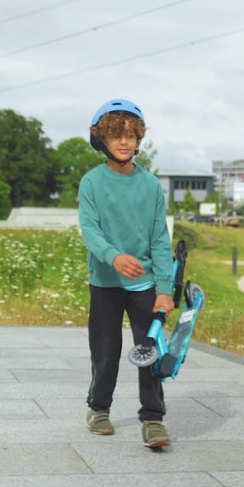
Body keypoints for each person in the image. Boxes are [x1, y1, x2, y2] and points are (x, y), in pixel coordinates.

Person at [78, 98, 175, 448]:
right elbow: (90, 231)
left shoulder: (150, 185)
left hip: (144, 285)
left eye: (130, 136)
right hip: (105, 283)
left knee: (149, 351)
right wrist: (114, 257)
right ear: (101, 139)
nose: (124, 142)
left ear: (138, 140)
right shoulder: (91, 183)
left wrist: (164, 288)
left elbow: (160, 240)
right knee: (105, 351)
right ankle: (98, 409)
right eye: (116, 135)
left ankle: (153, 418)